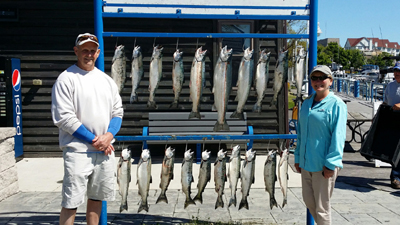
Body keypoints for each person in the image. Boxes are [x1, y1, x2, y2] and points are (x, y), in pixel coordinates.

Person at [51, 33, 123, 225]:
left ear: (98, 53)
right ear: (76, 51)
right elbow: (64, 118)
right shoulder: (66, 79)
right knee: (71, 202)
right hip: (78, 151)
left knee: (97, 200)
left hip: (104, 150)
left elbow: (117, 112)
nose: (89, 54)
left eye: (92, 50)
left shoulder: (107, 80)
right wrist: (96, 141)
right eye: (85, 50)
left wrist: (108, 136)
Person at [294, 65, 347, 225]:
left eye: (322, 78)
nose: (318, 81)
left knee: (322, 208)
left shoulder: (337, 104)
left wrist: (331, 163)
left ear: (330, 81)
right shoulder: (307, 103)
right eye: (314, 78)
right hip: (306, 163)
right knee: (309, 202)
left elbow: (338, 136)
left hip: (323, 165)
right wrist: (297, 157)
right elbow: (301, 132)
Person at [383, 61, 400, 189]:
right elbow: (386, 102)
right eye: (395, 71)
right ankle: (395, 177)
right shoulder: (390, 85)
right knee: (395, 150)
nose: (397, 73)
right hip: (393, 120)